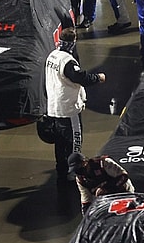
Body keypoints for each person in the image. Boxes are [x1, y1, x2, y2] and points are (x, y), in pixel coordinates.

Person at [44, 28, 105, 181]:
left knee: (59, 142)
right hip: (69, 108)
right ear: (73, 42)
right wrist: (98, 78)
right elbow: (81, 78)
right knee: (74, 141)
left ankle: (61, 169)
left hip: (54, 107)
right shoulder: (68, 61)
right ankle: (75, 172)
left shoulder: (52, 56)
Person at [67, 152, 133, 215]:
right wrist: (86, 219)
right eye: (75, 170)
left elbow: (123, 176)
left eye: (78, 167)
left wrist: (106, 188)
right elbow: (86, 201)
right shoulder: (80, 179)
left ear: (84, 162)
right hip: (106, 200)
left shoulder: (103, 163)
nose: (78, 171)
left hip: (124, 191)